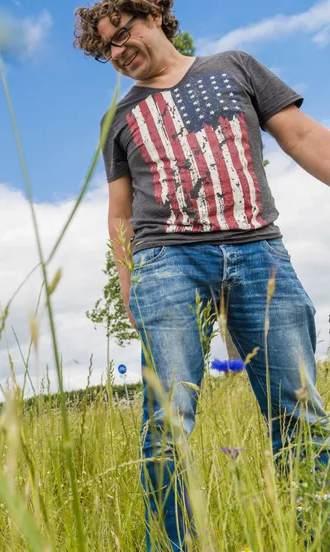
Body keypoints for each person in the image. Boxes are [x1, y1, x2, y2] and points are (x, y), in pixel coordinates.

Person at [73, 1, 330, 550]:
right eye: (106, 50)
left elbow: (304, 137)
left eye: (121, 35)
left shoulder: (234, 67)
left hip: (259, 249)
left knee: (300, 409)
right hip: (166, 264)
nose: (118, 53)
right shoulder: (117, 119)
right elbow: (119, 211)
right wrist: (127, 279)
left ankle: (314, 536)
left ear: (155, 16)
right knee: (167, 423)